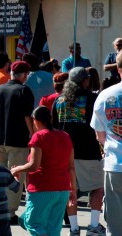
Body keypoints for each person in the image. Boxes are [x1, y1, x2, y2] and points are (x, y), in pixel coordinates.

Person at [53, 68, 106, 235]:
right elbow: (100, 124)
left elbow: (53, 127)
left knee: (71, 190)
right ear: (85, 81)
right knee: (97, 188)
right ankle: (93, 226)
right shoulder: (92, 99)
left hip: (64, 153)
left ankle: (74, 229)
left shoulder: (59, 100)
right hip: (88, 152)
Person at [10, 106, 76, 236]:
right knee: (53, 228)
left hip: (43, 188)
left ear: (35, 120)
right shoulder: (65, 136)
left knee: (32, 222)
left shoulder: (38, 137)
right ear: (50, 119)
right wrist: (73, 190)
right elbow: (71, 167)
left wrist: (17, 168)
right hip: (62, 189)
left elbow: (34, 165)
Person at [0, 61, 36, 223]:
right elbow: (27, 116)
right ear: (25, 75)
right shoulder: (24, 91)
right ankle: (9, 212)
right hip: (18, 141)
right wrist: (33, 135)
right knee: (16, 176)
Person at [91, 52, 122, 236]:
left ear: (118, 69)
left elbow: (99, 135)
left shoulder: (105, 96)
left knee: (115, 225)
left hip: (115, 165)